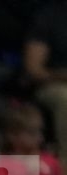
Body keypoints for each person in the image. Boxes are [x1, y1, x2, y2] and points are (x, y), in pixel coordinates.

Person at [23, 0, 67, 149]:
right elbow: (34, 69)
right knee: (65, 97)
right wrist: (61, 75)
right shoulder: (49, 16)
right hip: (53, 84)